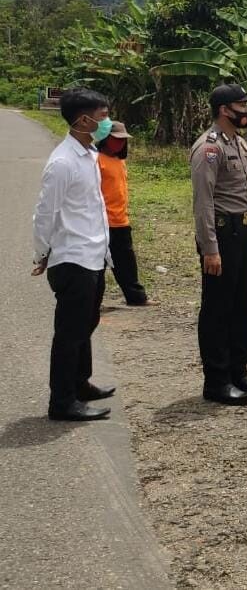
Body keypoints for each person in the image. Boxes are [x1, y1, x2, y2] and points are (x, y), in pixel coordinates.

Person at [190, 84, 247, 405]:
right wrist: (210, 248)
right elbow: (203, 202)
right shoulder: (208, 148)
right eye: (242, 105)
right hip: (221, 235)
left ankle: (239, 372)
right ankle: (216, 380)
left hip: (241, 233)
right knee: (218, 309)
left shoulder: (238, 144)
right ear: (225, 109)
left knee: (242, 305)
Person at [32, 88, 116, 421]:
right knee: (69, 333)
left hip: (93, 253)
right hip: (72, 257)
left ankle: (80, 383)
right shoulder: (63, 163)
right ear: (83, 120)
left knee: (86, 324)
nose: (107, 121)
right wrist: (41, 253)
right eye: (102, 116)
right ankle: (62, 402)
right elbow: (44, 213)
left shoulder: (89, 153)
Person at [96, 120, 151, 307]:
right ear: (105, 139)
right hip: (101, 222)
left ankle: (136, 298)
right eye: (115, 139)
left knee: (126, 262)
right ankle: (93, 302)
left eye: (122, 140)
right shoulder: (96, 160)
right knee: (97, 265)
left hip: (121, 221)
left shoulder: (119, 161)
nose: (119, 143)